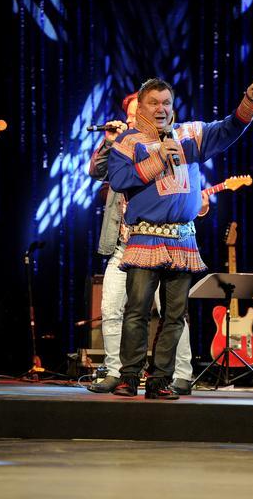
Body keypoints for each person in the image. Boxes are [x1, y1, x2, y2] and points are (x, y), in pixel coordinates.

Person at [107, 71, 253, 399]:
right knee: (137, 311)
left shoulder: (190, 134)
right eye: (154, 103)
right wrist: (157, 159)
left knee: (175, 316)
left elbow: (228, 129)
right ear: (141, 108)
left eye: (166, 102)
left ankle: (160, 380)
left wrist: (249, 102)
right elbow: (119, 180)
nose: (161, 108)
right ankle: (129, 376)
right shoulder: (128, 141)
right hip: (145, 237)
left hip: (182, 240)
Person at [88, 92, 197, 395]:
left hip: (159, 244)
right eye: (132, 116)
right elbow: (96, 171)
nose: (135, 121)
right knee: (113, 309)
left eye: (141, 115)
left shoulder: (167, 145)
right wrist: (110, 142)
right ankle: (116, 372)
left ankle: (181, 374)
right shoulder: (123, 148)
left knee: (172, 312)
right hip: (123, 246)